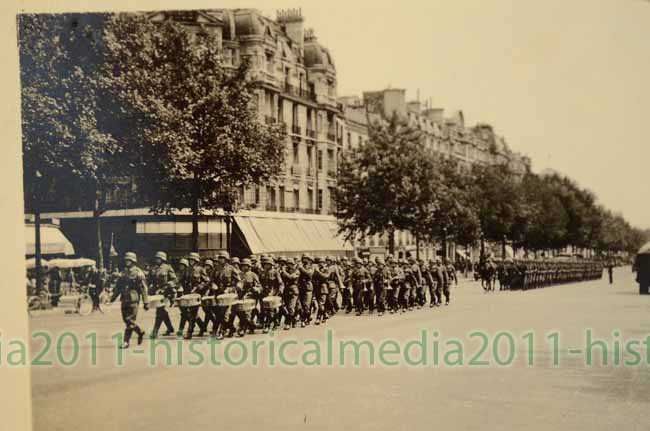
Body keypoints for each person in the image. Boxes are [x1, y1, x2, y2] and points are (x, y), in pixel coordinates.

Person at [110, 252, 149, 349]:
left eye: (129, 260)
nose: (127, 262)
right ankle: (140, 331)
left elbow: (143, 288)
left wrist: (146, 302)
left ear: (133, 261)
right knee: (126, 320)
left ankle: (126, 342)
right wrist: (112, 298)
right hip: (124, 299)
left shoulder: (138, 273)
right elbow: (118, 287)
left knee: (129, 320)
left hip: (133, 299)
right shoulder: (123, 272)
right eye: (126, 260)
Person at [148, 251, 176, 338]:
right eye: (156, 258)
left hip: (166, 292)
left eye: (159, 258)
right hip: (157, 293)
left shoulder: (167, 268)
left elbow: (174, 280)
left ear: (163, 259)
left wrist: (166, 287)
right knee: (162, 311)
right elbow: (150, 280)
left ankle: (155, 332)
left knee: (159, 311)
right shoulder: (154, 268)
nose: (157, 260)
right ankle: (170, 328)